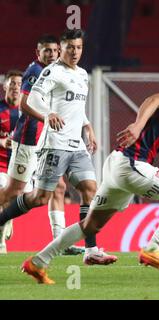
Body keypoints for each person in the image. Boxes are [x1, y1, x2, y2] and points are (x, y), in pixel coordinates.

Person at [20, 64, 159, 285]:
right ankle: (153, 249)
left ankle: (37, 262)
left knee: (90, 226)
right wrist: (137, 126)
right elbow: (153, 100)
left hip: (119, 166)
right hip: (132, 163)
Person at [0, 29, 116, 266]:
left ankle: (91, 250)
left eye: (79, 47)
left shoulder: (83, 74)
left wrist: (88, 128)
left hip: (76, 146)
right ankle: (2, 218)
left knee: (90, 190)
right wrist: (47, 114)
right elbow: (30, 100)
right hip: (54, 145)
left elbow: (76, 105)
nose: (75, 52)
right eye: (70, 47)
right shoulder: (52, 71)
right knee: (40, 198)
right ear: (62, 49)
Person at [0, 34, 83, 256]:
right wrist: (47, 117)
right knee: (13, 191)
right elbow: (24, 106)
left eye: (55, 50)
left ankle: (60, 242)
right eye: (46, 50)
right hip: (27, 140)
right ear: (38, 53)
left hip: (46, 142)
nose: (52, 54)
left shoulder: (58, 71)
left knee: (59, 188)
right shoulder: (35, 71)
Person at [0, 70, 21, 254]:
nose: (15, 87)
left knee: (13, 200)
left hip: (20, 166)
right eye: (12, 83)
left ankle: (8, 219)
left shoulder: (27, 111)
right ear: (5, 86)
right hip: (0, 165)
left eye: (19, 84)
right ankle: (1, 244)